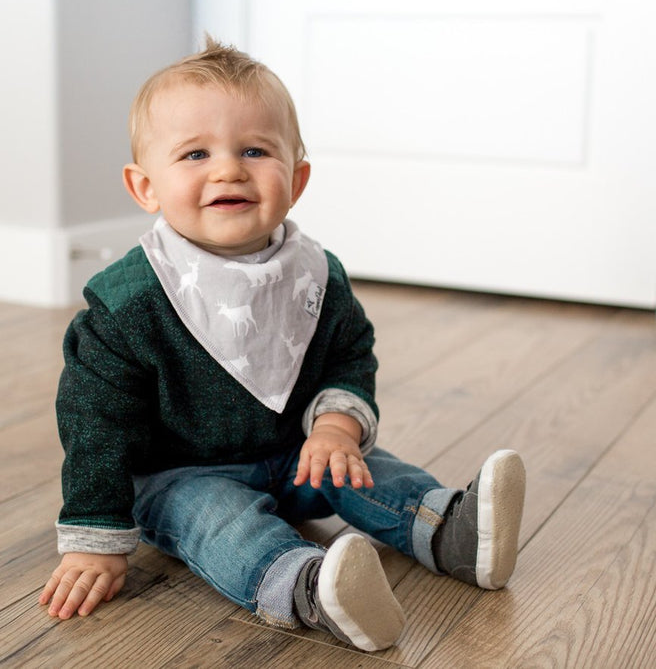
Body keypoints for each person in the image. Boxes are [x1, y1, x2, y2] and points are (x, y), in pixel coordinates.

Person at [38, 37, 526, 652]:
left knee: (366, 469)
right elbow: (94, 423)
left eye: (254, 150)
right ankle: (309, 586)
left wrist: (336, 430)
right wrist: (95, 538)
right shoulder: (130, 303)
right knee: (216, 520)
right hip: (181, 473)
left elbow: (352, 353)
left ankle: (450, 530)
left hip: (297, 452)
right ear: (146, 188)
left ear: (295, 179)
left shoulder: (315, 276)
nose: (228, 169)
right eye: (194, 153)